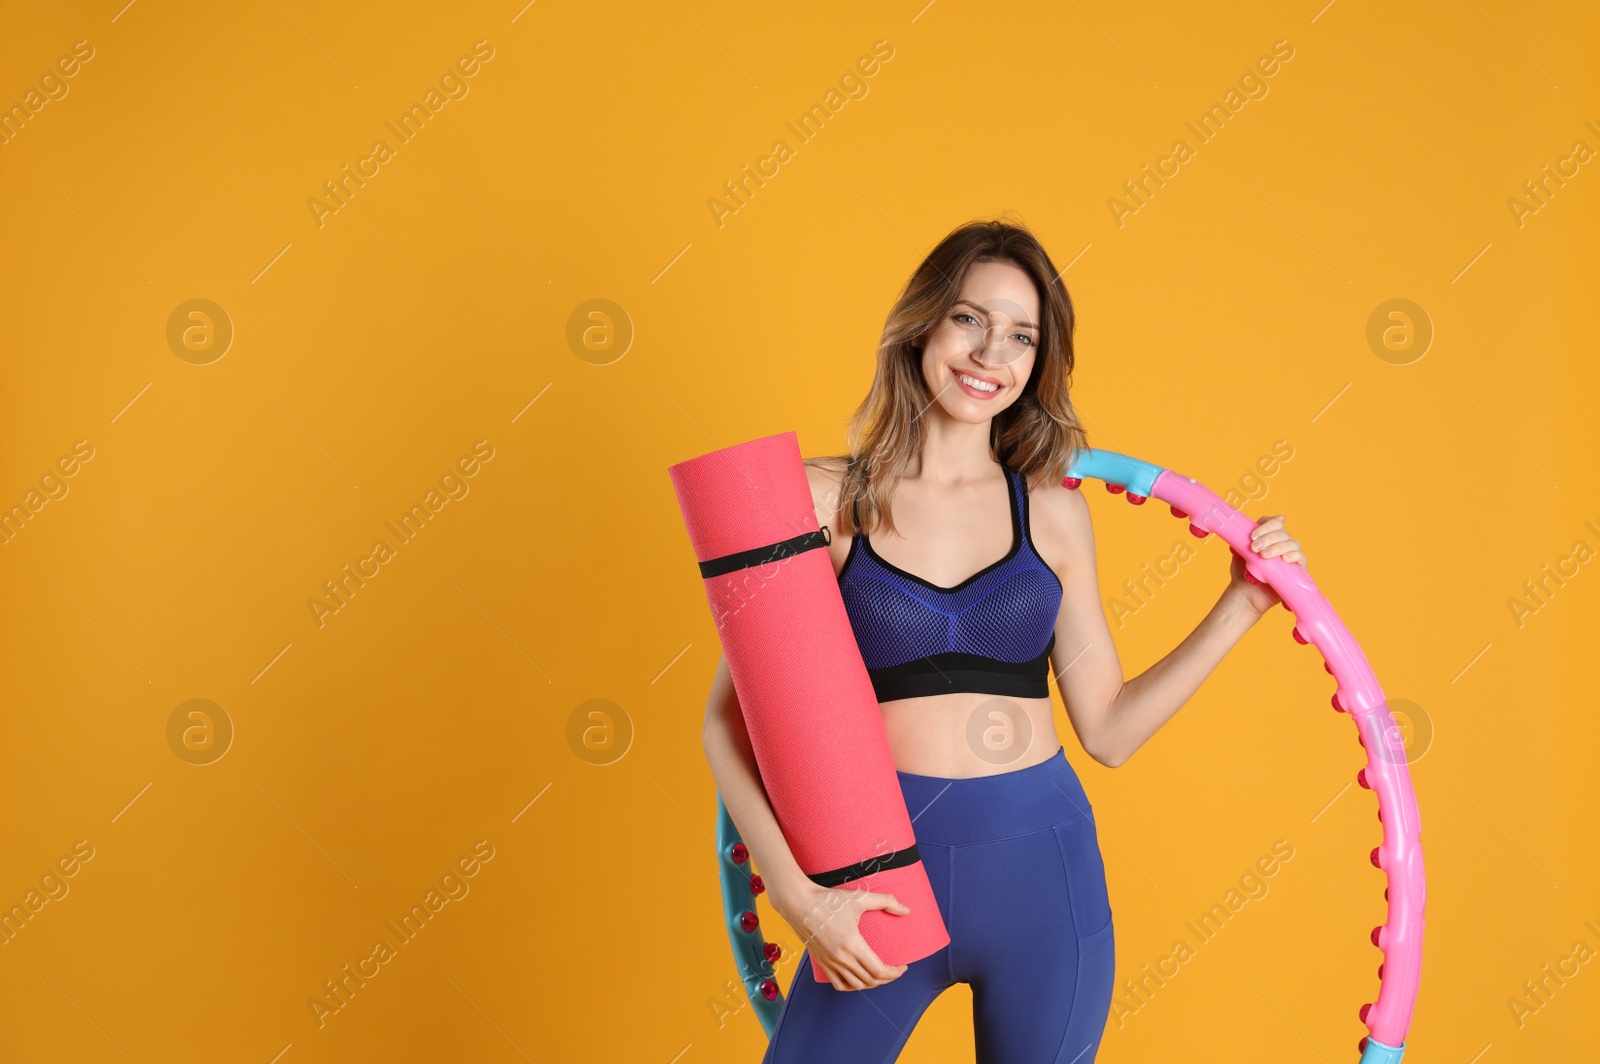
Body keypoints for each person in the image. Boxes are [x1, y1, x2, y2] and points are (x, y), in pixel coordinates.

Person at [701, 218, 1308, 1063]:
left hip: (1043, 877)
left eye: (1022, 336)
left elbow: (1111, 730)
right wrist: (806, 904)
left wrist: (1241, 605)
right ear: (921, 324)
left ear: (1040, 362)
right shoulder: (820, 501)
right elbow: (727, 726)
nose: (992, 354)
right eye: (969, 320)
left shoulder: (1054, 512)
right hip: (879, 882)